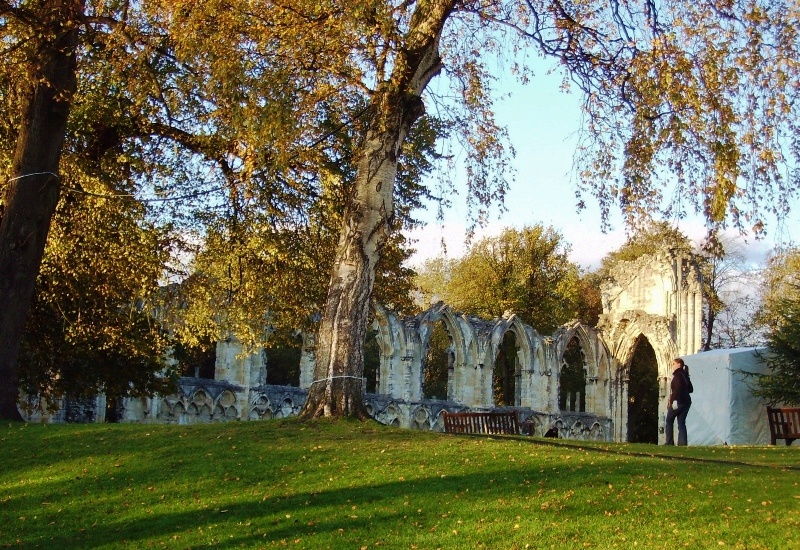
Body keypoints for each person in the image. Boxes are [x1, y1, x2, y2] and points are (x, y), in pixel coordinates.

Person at [665, 358, 693, 445]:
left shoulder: (677, 375)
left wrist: (674, 400)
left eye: (673, 364)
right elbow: (691, 389)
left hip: (679, 401)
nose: (672, 366)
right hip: (687, 402)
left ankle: (669, 442)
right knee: (681, 422)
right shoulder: (685, 375)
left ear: (679, 364)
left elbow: (677, 388)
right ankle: (682, 443)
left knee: (669, 419)